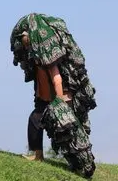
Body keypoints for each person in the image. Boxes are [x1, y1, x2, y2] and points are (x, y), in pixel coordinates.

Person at [10, 13, 97, 178]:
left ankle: (81, 165)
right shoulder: (35, 59)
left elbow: (57, 79)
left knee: (67, 135)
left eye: (25, 39)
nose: (24, 43)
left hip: (61, 99)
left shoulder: (47, 58)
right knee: (35, 120)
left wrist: (61, 102)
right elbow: (39, 81)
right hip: (45, 99)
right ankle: (38, 155)